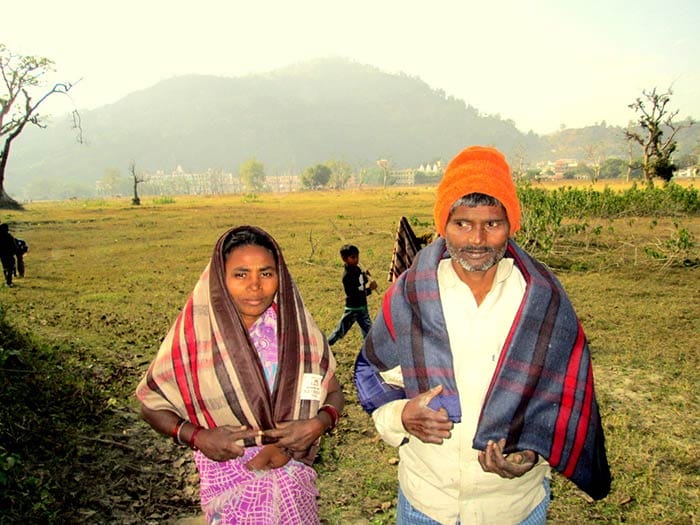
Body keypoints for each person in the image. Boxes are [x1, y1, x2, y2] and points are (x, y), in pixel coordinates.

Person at [354, 146, 610, 525]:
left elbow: (562, 399)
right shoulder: (411, 294)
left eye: (492, 223)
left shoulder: (542, 300)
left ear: (511, 224)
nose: (476, 239)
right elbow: (373, 375)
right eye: (462, 223)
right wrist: (401, 415)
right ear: (444, 224)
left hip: (512, 507)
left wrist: (530, 454)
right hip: (426, 501)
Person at [136, 225, 344, 524]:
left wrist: (318, 424)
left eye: (266, 273)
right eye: (241, 274)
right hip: (230, 487)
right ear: (220, 279)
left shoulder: (297, 333)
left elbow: (334, 393)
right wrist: (198, 436)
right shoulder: (197, 337)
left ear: (280, 277)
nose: (255, 286)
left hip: (293, 484)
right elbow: (151, 406)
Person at [327, 244, 378, 345]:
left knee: (368, 331)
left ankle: (370, 350)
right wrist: (370, 289)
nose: (356, 260)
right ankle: (327, 344)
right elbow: (354, 294)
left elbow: (361, 282)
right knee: (340, 331)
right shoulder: (347, 277)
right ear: (344, 259)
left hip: (362, 307)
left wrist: (366, 276)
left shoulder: (357, 269)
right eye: (353, 257)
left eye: (357, 256)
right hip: (353, 309)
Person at [0, 223, 18, 287]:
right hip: (9, 255)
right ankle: (9, 281)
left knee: (5, 267)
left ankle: (7, 279)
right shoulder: (9, 237)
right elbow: (15, 246)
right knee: (10, 268)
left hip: (2, 255)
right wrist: (15, 252)